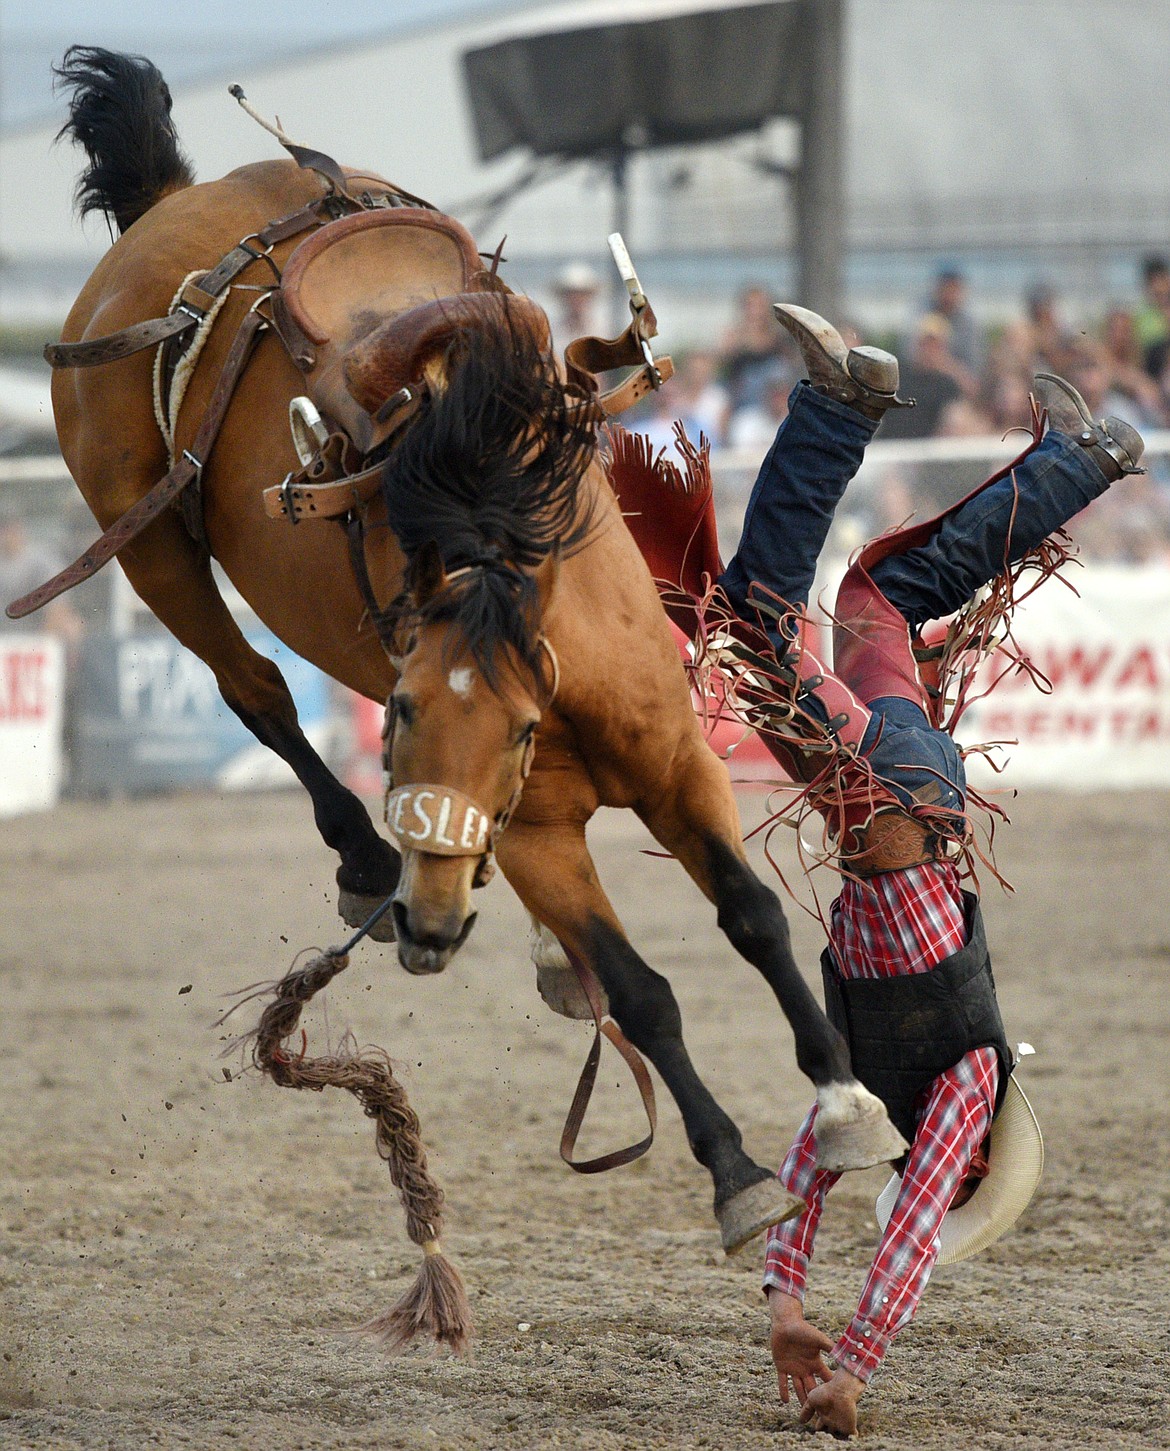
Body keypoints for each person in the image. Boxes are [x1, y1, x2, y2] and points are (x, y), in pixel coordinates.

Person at [713, 305, 1142, 1437]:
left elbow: (807, 1176)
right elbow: (901, 1239)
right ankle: (842, 403)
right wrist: (851, 1364)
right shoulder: (965, 1088)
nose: (931, 1182)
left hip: (913, 785)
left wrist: (784, 1302)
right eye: (948, 1179)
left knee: (875, 599)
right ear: (972, 1164)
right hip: (895, 805)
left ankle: (1079, 460)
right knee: (753, 625)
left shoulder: (862, 1094)